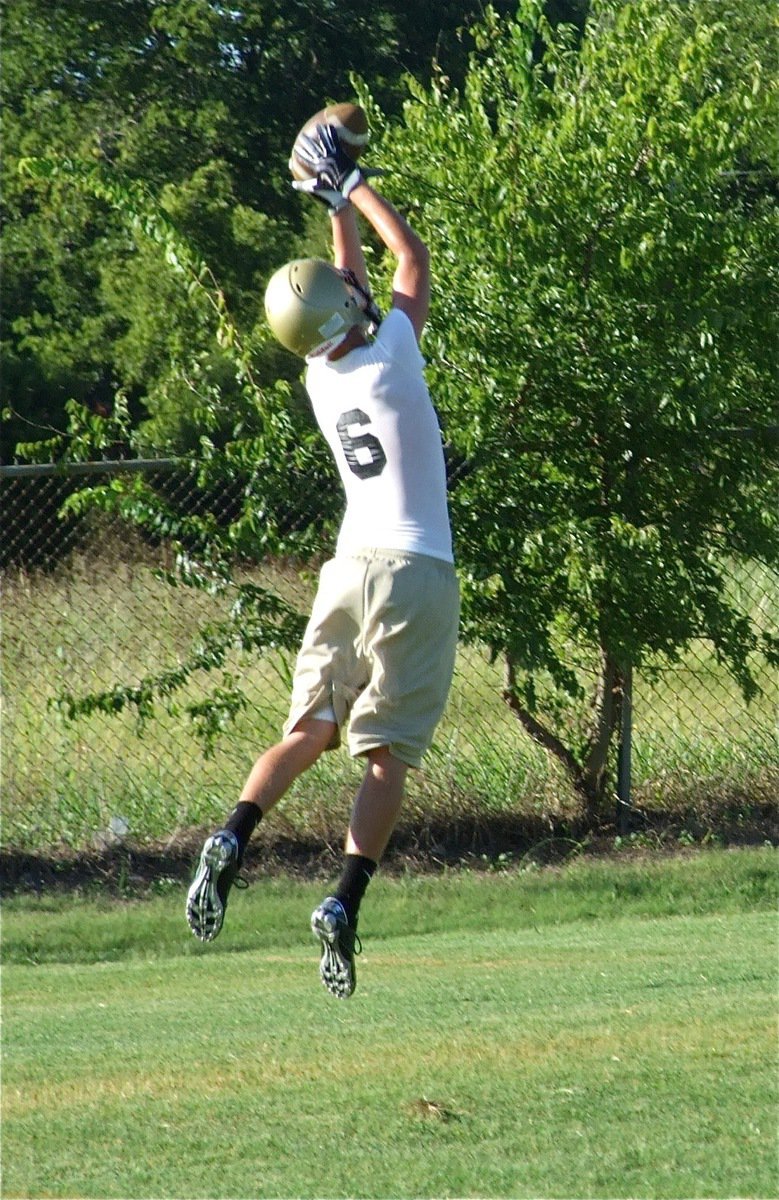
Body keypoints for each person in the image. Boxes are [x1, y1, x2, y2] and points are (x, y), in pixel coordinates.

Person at [186, 123, 459, 998]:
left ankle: (232, 832)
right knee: (386, 757)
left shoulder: (321, 374)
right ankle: (343, 901)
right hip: (414, 571)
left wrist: (327, 202)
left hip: (346, 568)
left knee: (306, 730)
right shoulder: (390, 358)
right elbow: (407, 260)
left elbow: (351, 283)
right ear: (343, 312)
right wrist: (354, 184)